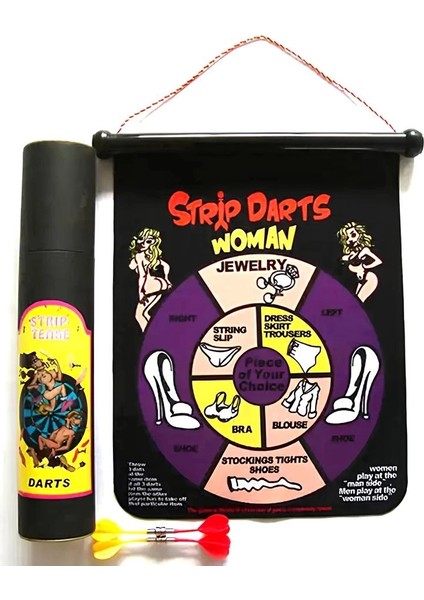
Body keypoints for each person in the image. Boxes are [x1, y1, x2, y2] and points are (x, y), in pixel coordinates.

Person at [129, 227, 172, 331]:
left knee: (139, 314)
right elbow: (165, 265)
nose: (144, 243)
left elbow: (142, 275)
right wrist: (166, 279)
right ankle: (159, 333)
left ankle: (151, 338)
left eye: (148, 241)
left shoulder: (140, 256)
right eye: (142, 240)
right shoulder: (149, 255)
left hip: (149, 285)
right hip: (159, 283)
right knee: (146, 314)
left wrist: (141, 293)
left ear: (154, 242)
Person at [337, 222, 382, 302]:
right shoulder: (351, 254)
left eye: (353, 235)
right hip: (359, 280)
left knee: (359, 301)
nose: (350, 239)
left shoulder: (364, 250)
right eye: (347, 238)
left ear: (359, 234)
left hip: (368, 277)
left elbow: (378, 261)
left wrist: (365, 267)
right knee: (356, 301)